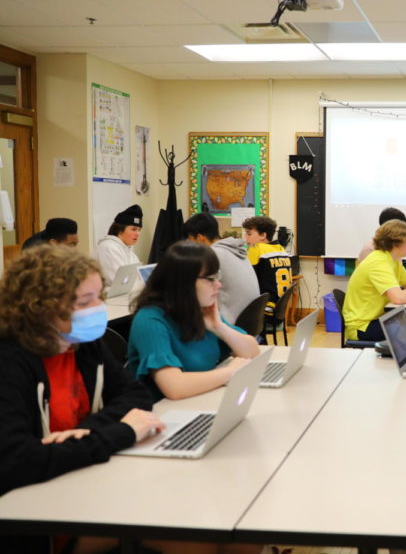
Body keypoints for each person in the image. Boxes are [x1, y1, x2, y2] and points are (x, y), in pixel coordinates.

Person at [0, 246, 162, 551]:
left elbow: (136, 394)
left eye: (98, 296)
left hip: (83, 483)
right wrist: (122, 432)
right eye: (85, 301)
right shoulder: (9, 361)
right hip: (33, 518)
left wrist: (85, 434)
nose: (98, 308)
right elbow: (17, 461)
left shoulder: (82, 342)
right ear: (42, 308)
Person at [127, 240, 260, 401]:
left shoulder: (200, 309)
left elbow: (252, 351)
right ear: (184, 282)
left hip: (199, 401)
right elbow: (174, 387)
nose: (218, 285)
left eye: (217, 277)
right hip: (163, 415)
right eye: (210, 279)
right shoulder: (149, 320)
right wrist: (229, 372)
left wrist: (219, 327)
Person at [342, 220, 406, 342]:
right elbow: (397, 298)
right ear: (395, 243)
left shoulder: (391, 259)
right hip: (363, 326)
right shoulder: (378, 262)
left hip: (379, 317)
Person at [184, 212, 260, 324]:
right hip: (251, 322)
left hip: (232, 324)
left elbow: (194, 293)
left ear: (200, 238)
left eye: (190, 240)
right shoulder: (236, 251)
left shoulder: (212, 255)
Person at [242, 215, 292, 313]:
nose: (245, 238)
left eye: (249, 234)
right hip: (279, 308)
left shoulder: (256, 249)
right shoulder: (281, 249)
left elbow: (244, 278)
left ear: (262, 235)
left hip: (264, 308)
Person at [95, 204, 143, 285]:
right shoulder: (108, 247)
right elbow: (120, 283)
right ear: (120, 230)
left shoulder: (130, 252)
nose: (138, 233)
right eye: (133, 229)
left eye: (139, 230)